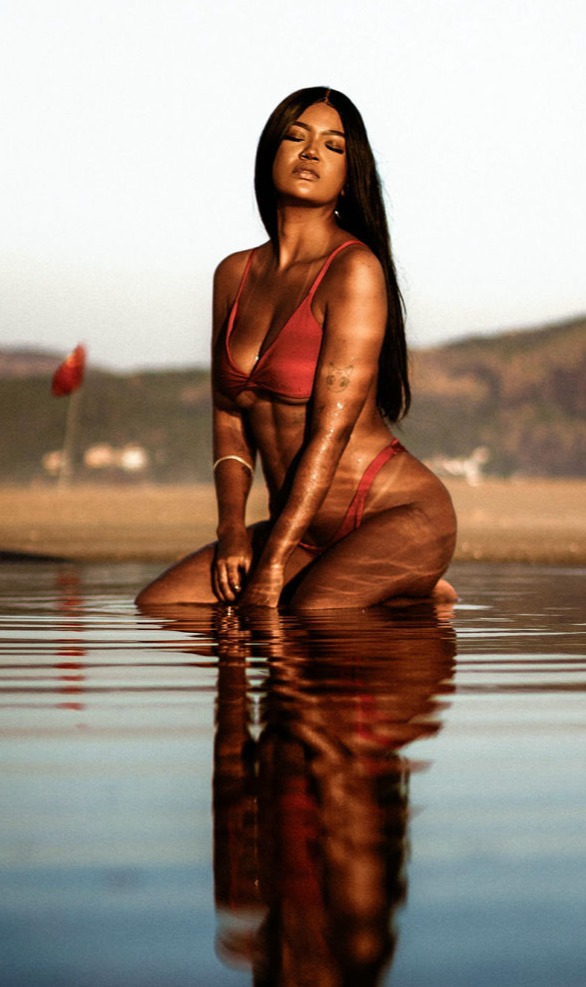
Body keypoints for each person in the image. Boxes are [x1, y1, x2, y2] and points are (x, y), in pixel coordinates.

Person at [136, 86, 457, 610]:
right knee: (163, 605)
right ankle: (385, 594)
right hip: (302, 526)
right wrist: (234, 532)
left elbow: (330, 436)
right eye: (296, 137)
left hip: (394, 516)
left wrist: (275, 560)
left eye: (333, 146)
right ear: (271, 154)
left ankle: (409, 587)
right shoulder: (234, 274)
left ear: (349, 178)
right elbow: (227, 417)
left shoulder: (353, 270)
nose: (311, 153)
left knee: (307, 616)